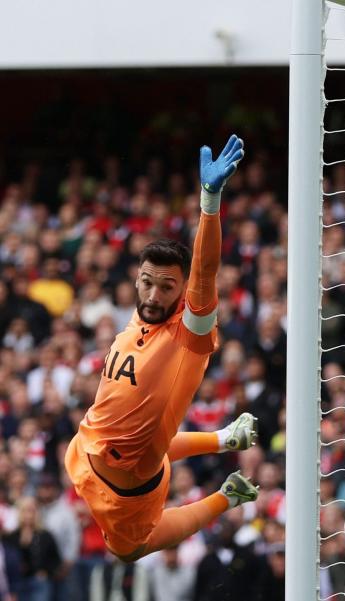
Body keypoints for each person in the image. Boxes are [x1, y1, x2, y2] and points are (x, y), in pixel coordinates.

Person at [64, 136, 259, 562]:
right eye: (147, 282)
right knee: (153, 444)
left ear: (182, 292)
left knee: (132, 549)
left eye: (167, 287)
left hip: (126, 493)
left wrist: (209, 201)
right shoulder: (136, 319)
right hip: (83, 449)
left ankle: (226, 497)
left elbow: (204, 271)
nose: (153, 295)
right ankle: (226, 438)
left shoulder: (188, 332)